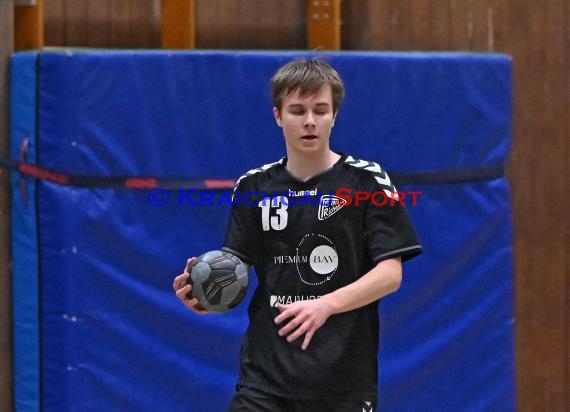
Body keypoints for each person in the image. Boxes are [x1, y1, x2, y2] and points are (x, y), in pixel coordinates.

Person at [172, 58, 422, 412]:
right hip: (265, 379)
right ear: (278, 116)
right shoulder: (254, 186)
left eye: (320, 110)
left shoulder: (366, 181)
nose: (309, 121)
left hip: (342, 381)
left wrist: (326, 305)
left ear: (334, 115)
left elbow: (390, 274)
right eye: (297, 110)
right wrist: (204, 295)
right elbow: (235, 269)